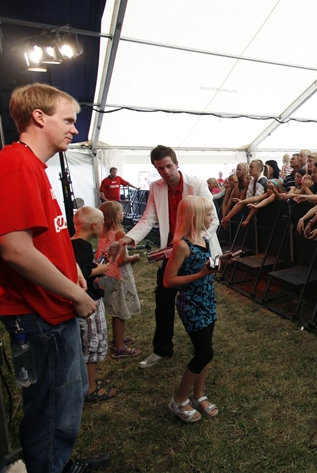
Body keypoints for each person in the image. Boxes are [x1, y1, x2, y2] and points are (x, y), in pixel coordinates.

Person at [0, 83, 109, 472]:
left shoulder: (29, 166)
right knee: (53, 405)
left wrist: (74, 273)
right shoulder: (17, 167)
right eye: (68, 120)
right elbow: (16, 250)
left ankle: (59, 462)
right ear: (39, 117)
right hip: (40, 315)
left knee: (58, 404)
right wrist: (78, 293)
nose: (74, 129)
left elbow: (45, 237)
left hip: (48, 309)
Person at [109, 145, 220, 369]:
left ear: (177, 164)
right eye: (160, 168)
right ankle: (162, 349)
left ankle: (203, 347)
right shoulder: (156, 187)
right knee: (164, 302)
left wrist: (190, 244)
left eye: (169, 165)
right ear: (156, 169)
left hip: (196, 252)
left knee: (202, 300)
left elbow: (213, 220)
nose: (165, 171)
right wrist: (124, 240)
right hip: (170, 252)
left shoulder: (197, 184)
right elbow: (147, 220)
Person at [164, 196, 220, 423]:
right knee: (205, 352)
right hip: (192, 305)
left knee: (204, 351)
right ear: (196, 217)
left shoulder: (204, 240)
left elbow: (203, 268)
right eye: (208, 214)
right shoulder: (182, 245)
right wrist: (200, 274)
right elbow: (168, 281)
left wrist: (212, 268)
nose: (211, 218)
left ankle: (198, 395)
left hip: (207, 301)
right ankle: (178, 399)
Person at [71, 206, 118, 402]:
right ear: (94, 225)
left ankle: (88, 382)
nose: (103, 226)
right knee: (92, 342)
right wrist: (100, 270)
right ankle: (90, 388)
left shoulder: (70, 243)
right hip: (89, 300)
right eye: (102, 223)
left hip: (83, 299)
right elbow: (81, 272)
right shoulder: (82, 246)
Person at [97, 201, 142, 359]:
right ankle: (119, 347)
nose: (123, 213)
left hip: (106, 274)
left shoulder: (103, 231)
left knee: (115, 308)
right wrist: (135, 257)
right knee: (120, 311)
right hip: (118, 276)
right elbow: (122, 260)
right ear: (117, 215)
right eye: (121, 211)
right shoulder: (119, 234)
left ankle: (117, 338)